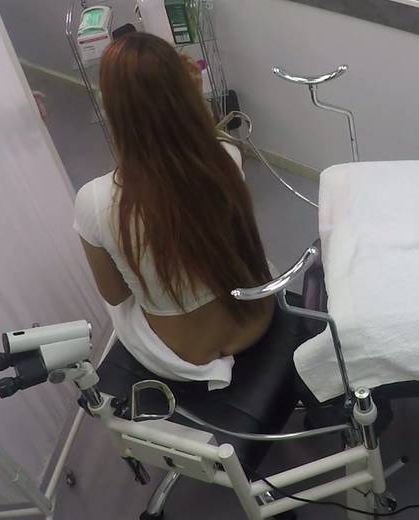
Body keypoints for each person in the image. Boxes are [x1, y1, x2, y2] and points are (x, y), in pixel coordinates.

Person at [73, 32, 273, 387]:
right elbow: (201, 142)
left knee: (121, 303)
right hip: (256, 324)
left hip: (183, 355)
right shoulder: (226, 157)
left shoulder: (94, 200)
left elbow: (115, 294)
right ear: (183, 92)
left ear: (114, 112)